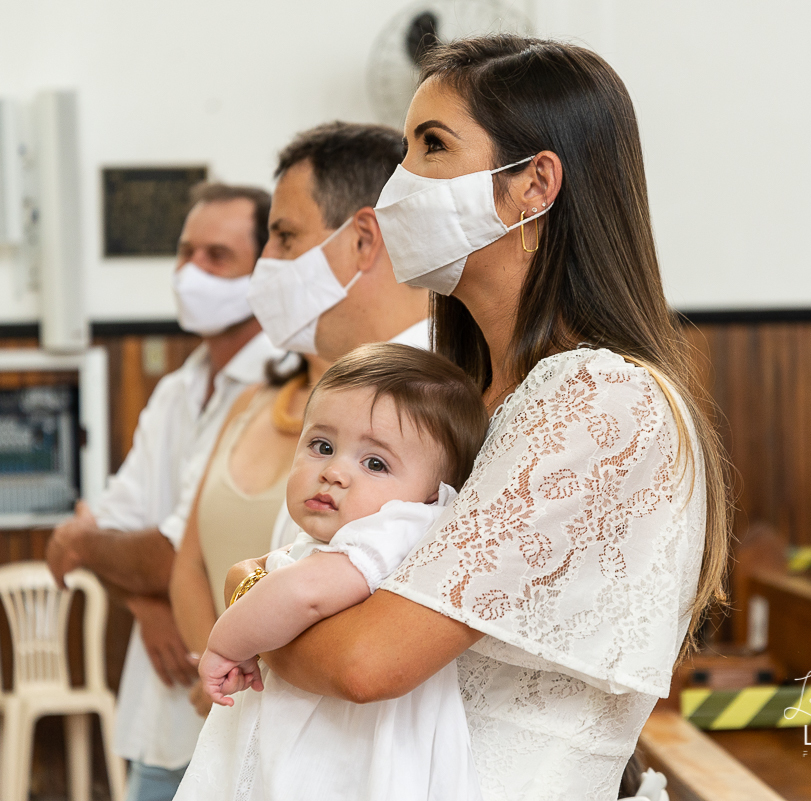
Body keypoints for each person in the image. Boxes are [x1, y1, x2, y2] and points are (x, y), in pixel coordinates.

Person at [232, 35, 734, 801]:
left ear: (533, 184)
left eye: (432, 146)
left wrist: (251, 598)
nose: (402, 180)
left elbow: (369, 661)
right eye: (405, 148)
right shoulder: (472, 393)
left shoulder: (598, 396)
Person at [168, 122, 424, 721]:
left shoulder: (438, 404)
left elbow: (364, 654)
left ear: (364, 240)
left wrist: (247, 615)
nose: (268, 264)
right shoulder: (343, 390)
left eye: (284, 237)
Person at [45, 182, 277, 800]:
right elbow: (112, 527)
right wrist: (147, 603)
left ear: (265, 270)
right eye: (185, 252)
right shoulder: (177, 389)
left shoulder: (277, 388)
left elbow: (165, 553)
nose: (191, 271)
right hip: (158, 705)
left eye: (217, 257)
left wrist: (87, 544)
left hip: (234, 708)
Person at [176, 343, 488, 801]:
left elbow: (304, 594)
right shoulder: (348, 534)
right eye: (322, 446)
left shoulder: (400, 526)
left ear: (433, 495)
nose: (336, 472)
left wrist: (226, 645)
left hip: (346, 755)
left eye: (375, 463)